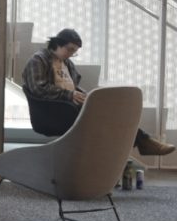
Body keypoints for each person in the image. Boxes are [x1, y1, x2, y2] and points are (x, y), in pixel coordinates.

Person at [22, 28, 174, 156]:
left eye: (74, 52)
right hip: (54, 113)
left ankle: (141, 142)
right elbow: (38, 88)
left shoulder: (66, 63)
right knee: (107, 118)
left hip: (70, 107)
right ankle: (143, 142)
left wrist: (85, 96)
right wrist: (69, 95)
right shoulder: (39, 60)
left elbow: (73, 87)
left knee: (111, 112)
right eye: (69, 49)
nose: (71, 54)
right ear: (57, 44)